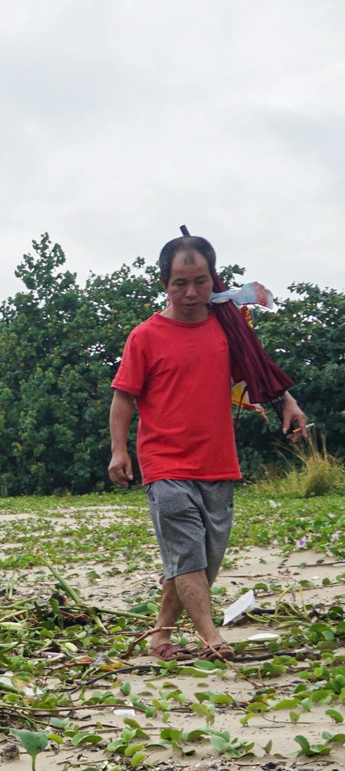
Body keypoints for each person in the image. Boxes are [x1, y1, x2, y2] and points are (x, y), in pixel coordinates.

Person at [108, 231, 307, 660]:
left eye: (200, 281)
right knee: (187, 554)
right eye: (180, 283)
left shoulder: (227, 332)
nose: (191, 292)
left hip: (218, 462)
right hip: (164, 464)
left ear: (213, 280)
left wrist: (288, 403)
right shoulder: (145, 336)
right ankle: (210, 637)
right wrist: (119, 450)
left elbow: (255, 373)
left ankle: (161, 636)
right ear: (164, 283)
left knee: (198, 560)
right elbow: (123, 396)